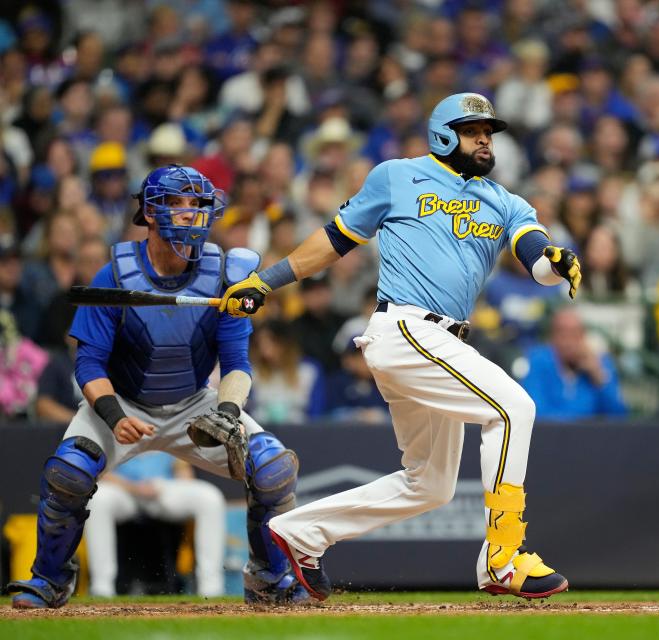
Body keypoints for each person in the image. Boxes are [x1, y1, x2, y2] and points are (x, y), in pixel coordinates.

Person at [220, 93, 583, 601]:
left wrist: (555, 261)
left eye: (488, 131)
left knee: (430, 485)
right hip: (408, 328)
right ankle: (503, 556)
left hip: (438, 342)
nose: (484, 138)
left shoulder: (505, 199)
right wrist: (266, 280)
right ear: (442, 133)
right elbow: (335, 239)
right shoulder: (397, 175)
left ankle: (300, 532)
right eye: (472, 128)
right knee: (513, 408)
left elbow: (534, 255)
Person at [7, 165, 308, 609]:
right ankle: (49, 579)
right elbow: (88, 363)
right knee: (68, 473)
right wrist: (113, 416)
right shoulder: (116, 273)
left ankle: (267, 576)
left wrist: (226, 412)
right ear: (149, 212)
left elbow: (237, 363)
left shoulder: (226, 274)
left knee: (272, 469)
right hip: (121, 401)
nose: (189, 214)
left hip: (195, 402)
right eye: (177, 203)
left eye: (197, 205)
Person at [85, 452, 226, 598]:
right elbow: (98, 473)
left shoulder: (171, 430)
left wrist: (168, 487)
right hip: (122, 489)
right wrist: (133, 487)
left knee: (210, 498)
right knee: (97, 499)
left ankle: (211, 589)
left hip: (161, 488)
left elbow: (184, 474)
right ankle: (101, 588)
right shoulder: (110, 430)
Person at [520, 307, 627, 421]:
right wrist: (580, 418)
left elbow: (619, 415)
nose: (568, 342)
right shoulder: (538, 361)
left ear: (583, 336)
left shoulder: (600, 363)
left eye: (575, 334)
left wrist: (599, 377)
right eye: (562, 333)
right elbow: (537, 412)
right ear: (552, 336)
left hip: (591, 436)